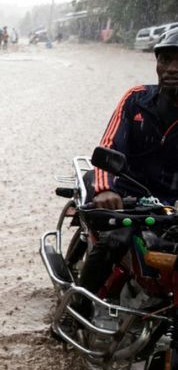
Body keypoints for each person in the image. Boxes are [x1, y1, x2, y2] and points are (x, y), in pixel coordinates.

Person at [76, 28, 178, 302]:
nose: (171, 69)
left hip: (170, 203)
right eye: (165, 60)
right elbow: (109, 144)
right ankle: (77, 310)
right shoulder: (136, 99)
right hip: (127, 192)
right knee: (114, 240)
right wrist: (105, 190)